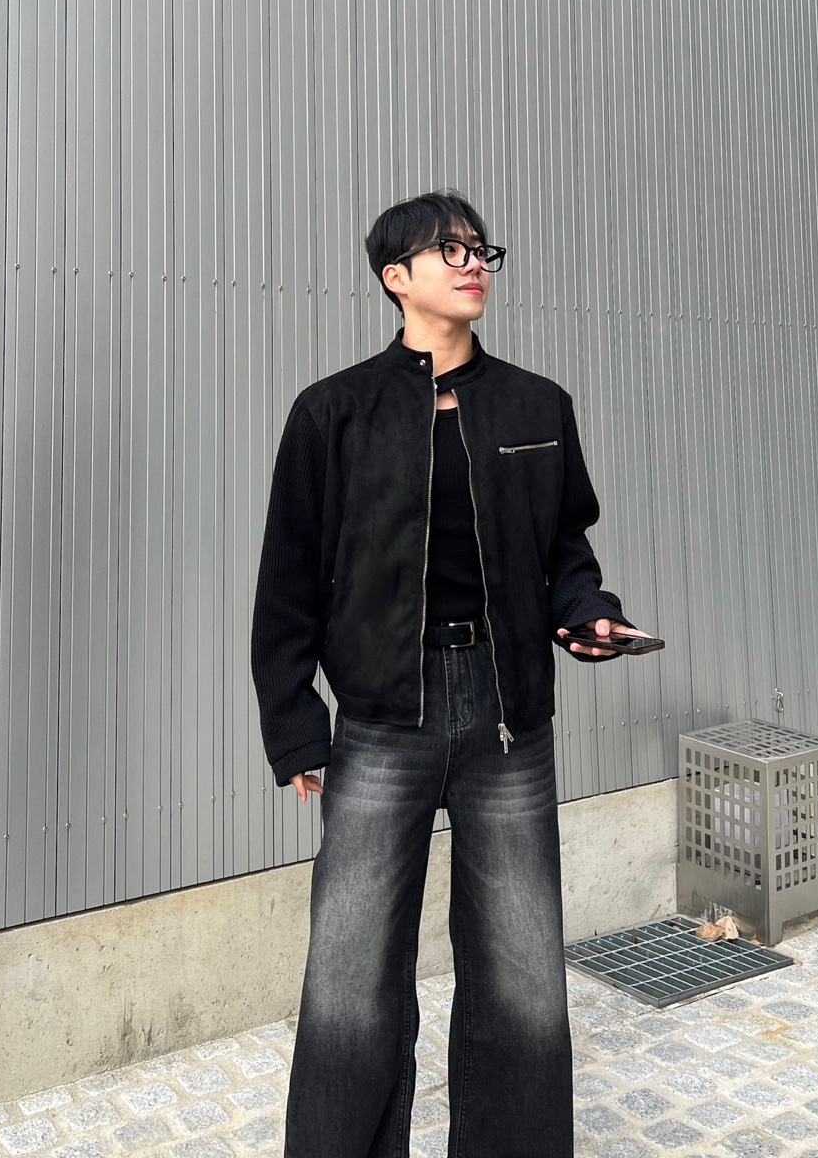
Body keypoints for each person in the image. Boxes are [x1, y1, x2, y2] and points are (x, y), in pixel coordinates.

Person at [251, 189, 649, 1158]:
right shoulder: (333, 412)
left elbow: (566, 550)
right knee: (349, 977)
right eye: (449, 251)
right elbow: (289, 577)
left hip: (507, 718)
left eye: (480, 250)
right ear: (397, 277)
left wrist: (586, 613)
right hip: (382, 718)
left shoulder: (537, 406)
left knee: (522, 975)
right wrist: (294, 723)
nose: (473, 264)